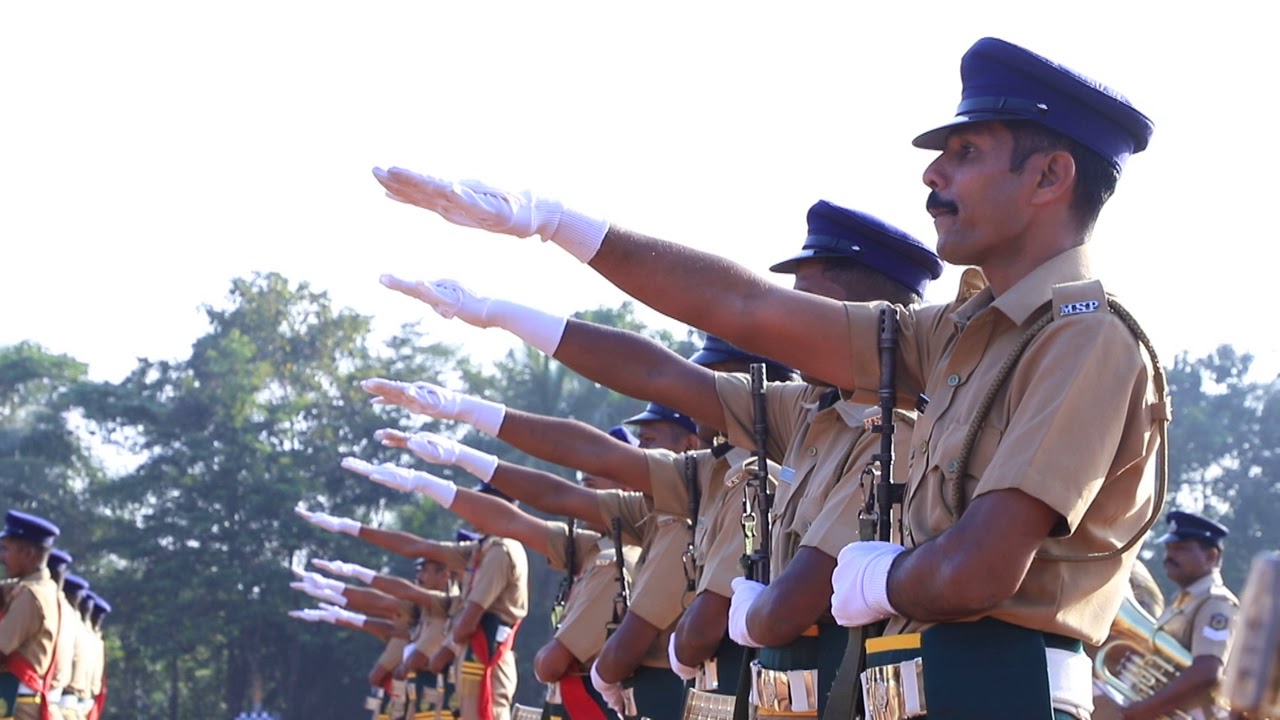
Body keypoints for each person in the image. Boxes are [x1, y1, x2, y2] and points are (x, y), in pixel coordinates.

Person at [370, 35, 1162, 720]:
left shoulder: (1083, 340)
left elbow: (979, 571)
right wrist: (551, 225)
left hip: (1001, 687)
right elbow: (745, 309)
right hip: (921, 681)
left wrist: (885, 579)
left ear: (1049, 176)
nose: (933, 175)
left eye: (966, 153)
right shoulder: (960, 333)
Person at [376, 199, 943, 717]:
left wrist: (744, 616)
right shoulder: (808, 411)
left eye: (803, 303)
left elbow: (791, 606)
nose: (784, 321)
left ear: (853, 315)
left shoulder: (891, 430)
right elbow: (654, 377)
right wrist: (496, 324)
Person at [296, 488, 528, 720]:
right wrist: (351, 535)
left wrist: (447, 649)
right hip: (466, 668)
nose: (420, 577)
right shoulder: (478, 554)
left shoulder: (500, 550)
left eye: (427, 570)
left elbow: (463, 624)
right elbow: (412, 561)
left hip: (485, 663)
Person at [1116, 511, 1238, 720]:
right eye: (1168, 548)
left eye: (1181, 549)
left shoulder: (1217, 603)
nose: (1169, 556)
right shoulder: (1183, 600)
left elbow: (1208, 671)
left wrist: (1145, 709)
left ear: (1211, 556)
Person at [0, 511, 62, 720]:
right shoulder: (46, 588)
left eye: (6, 550)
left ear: (28, 554)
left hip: (16, 706)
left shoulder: (30, 596)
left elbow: (1, 649)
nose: (2, 558)